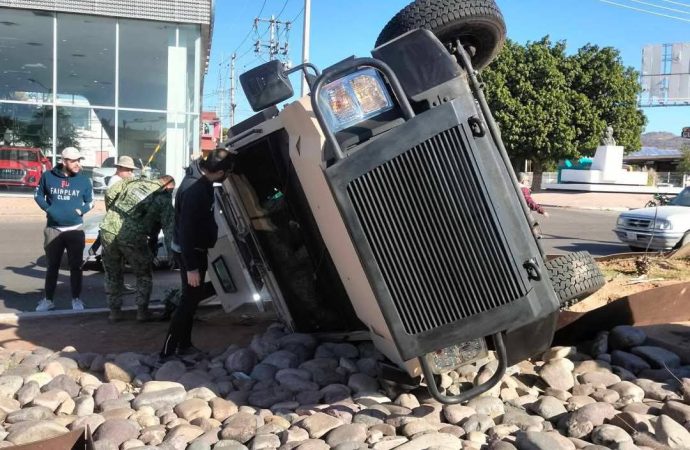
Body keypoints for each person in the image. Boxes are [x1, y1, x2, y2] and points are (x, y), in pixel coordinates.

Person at [160, 147, 232, 359]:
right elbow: (186, 232)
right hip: (190, 252)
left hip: (192, 249)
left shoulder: (199, 179)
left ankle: (185, 345)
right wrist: (191, 267)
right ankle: (167, 351)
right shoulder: (195, 190)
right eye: (226, 173)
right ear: (219, 173)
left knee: (191, 300)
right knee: (188, 301)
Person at [100, 175, 175, 322]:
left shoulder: (134, 181)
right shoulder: (163, 198)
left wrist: (112, 213)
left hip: (108, 228)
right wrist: (172, 254)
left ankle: (114, 312)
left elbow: (109, 193)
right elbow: (169, 229)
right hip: (132, 234)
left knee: (112, 272)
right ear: (168, 186)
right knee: (143, 273)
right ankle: (142, 312)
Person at [34, 147, 93, 312]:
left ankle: (76, 299)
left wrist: (81, 211)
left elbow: (91, 201)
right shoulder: (48, 177)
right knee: (52, 266)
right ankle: (48, 300)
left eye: (79, 160)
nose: (77, 164)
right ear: (63, 161)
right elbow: (38, 195)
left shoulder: (84, 180)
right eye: (73, 161)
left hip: (75, 229)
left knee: (76, 266)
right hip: (54, 229)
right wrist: (48, 209)